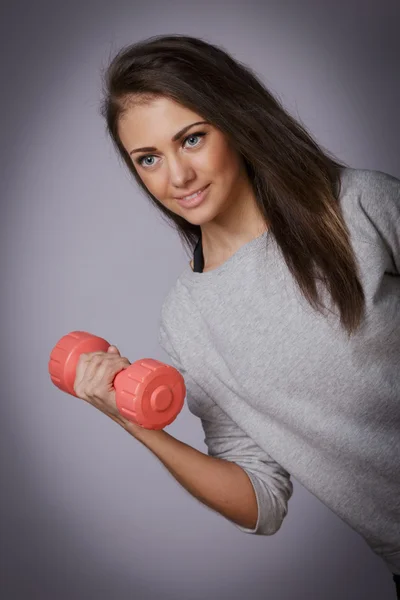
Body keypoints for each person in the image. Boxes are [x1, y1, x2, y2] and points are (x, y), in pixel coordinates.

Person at [74, 34, 400, 595]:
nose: (176, 177)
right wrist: (130, 422)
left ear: (236, 121)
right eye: (148, 159)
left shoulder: (359, 205)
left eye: (192, 138)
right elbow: (262, 501)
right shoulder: (188, 320)